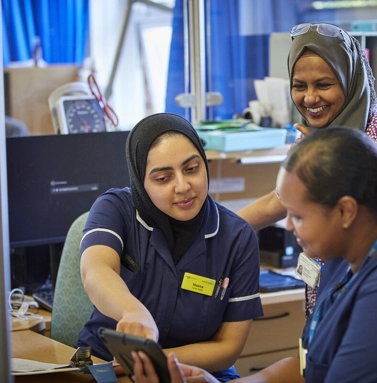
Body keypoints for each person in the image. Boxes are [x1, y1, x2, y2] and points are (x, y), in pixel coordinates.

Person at [131, 127, 377, 383]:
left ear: (346, 211)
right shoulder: (346, 254)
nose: (287, 227)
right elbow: (311, 367)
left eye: (298, 216)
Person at [237, 22, 377, 318]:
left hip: (373, 297)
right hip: (329, 294)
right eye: (299, 86)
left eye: (323, 85)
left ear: (349, 82)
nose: (309, 98)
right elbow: (281, 200)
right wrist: (215, 232)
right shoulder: (320, 133)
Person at [77, 113, 263, 382]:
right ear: (141, 182)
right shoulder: (116, 208)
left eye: (191, 169)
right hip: (108, 365)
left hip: (195, 373)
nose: (183, 186)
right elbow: (95, 270)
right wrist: (134, 311)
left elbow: (228, 348)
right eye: (163, 178)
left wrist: (153, 361)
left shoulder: (237, 236)